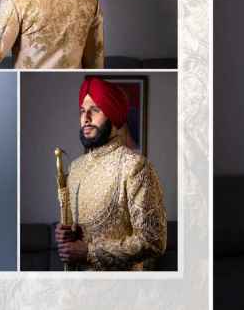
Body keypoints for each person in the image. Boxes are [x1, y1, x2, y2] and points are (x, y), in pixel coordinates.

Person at [54, 76, 167, 270]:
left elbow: (153, 241)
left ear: (113, 116)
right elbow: (75, 229)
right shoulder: (75, 167)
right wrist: (66, 232)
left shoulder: (135, 166)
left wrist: (89, 252)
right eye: (82, 111)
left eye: (95, 110)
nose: (85, 118)